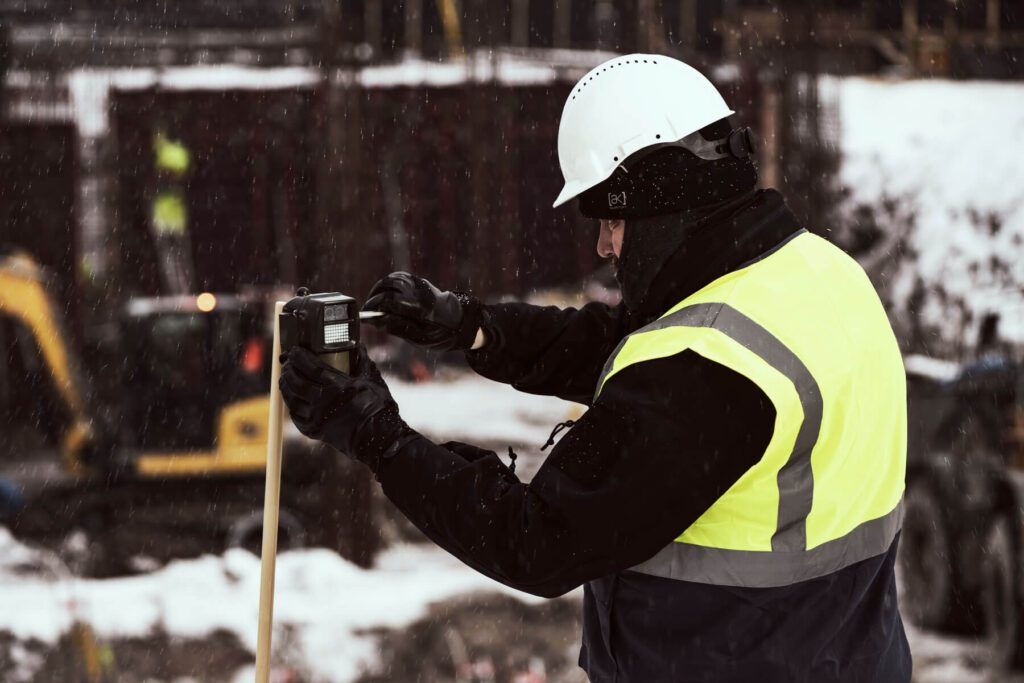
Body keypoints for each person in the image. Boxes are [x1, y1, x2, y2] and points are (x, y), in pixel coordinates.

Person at [279, 53, 911, 682]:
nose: (605, 245)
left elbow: (535, 541)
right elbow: (635, 343)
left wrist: (376, 436)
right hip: (841, 656)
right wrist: (471, 327)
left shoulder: (706, 369)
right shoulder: (818, 274)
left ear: (664, 201)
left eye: (612, 219)